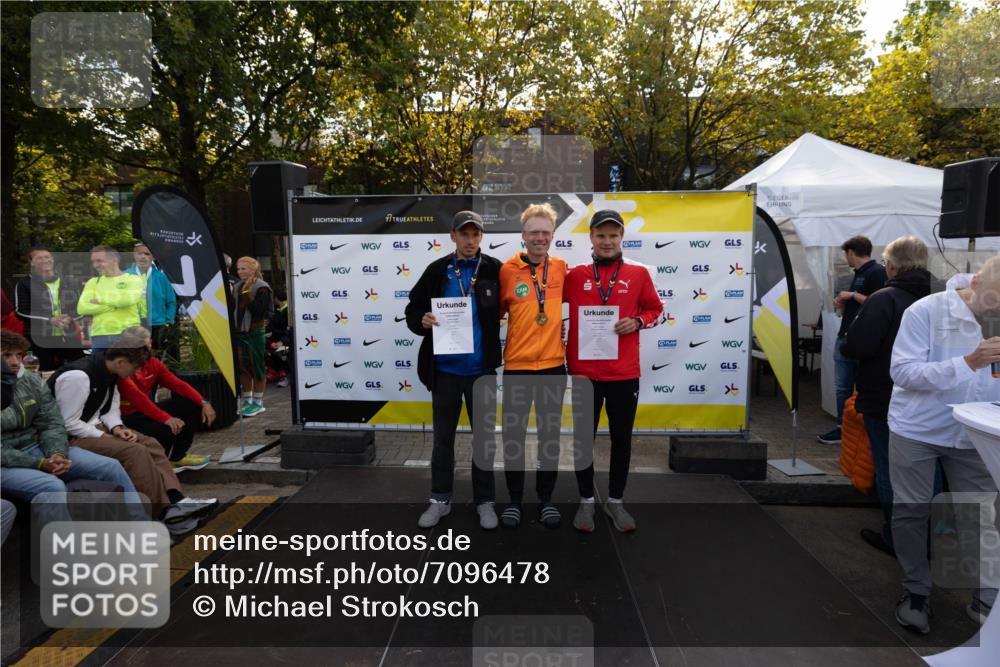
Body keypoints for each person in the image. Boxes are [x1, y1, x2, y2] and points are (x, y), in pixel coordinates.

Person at [887, 255, 1000, 634]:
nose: (997, 310)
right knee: (912, 511)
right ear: (977, 281)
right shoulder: (928, 310)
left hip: (975, 434)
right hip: (918, 429)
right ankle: (916, 592)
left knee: (980, 514)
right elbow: (901, 371)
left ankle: (987, 597)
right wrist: (967, 362)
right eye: (995, 301)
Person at [49, 336, 216, 536]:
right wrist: (104, 436)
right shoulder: (78, 376)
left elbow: (110, 409)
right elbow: (66, 422)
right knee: (135, 451)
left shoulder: (111, 373)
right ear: (120, 362)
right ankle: (161, 510)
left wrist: (118, 427)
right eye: (135, 367)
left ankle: (176, 499)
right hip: (67, 438)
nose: (136, 372)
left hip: (93, 428)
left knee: (150, 444)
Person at [563, 210, 662, 533]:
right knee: (582, 440)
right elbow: (547, 305)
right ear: (591, 238)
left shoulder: (638, 274)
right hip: (582, 373)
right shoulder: (575, 275)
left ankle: (616, 501)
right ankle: (586, 501)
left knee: (622, 440)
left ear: (622, 238)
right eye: (601, 235)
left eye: (613, 236)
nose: (607, 241)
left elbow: (655, 310)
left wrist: (637, 321)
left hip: (623, 374)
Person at [406, 210, 503, 530]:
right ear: (453, 236)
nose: (471, 241)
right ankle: (439, 499)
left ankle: (485, 501)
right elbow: (413, 307)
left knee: (484, 441)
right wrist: (421, 319)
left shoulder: (494, 269)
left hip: (481, 370)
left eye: (476, 235)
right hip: (445, 370)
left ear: (481, 237)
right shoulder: (437, 270)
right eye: (465, 234)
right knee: (443, 440)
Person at [841, 236, 931, 557]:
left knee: (890, 469)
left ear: (892, 265)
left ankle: (897, 539)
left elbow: (857, 346)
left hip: (885, 398)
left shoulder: (885, 298)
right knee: (925, 475)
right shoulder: (941, 298)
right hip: (929, 403)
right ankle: (926, 538)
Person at [1, 333, 139, 513]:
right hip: (6, 461)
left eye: (19, 355)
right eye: (6, 355)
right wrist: (39, 463)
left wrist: (57, 453)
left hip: (35, 446)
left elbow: (51, 422)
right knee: (52, 486)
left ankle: (139, 523)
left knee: (110, 466)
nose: (15, 361)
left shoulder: (30, 380)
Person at [499, 203, 569, 530]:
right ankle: (514, 500)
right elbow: (489, 315)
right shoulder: (507, 271)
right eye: (534, 232)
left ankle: (546, 500)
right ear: (523, 235)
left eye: (546, 232)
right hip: (517, 367)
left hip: (554, 367)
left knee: (549, 438)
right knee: (513, 437)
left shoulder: (562, 269)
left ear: (553, 235)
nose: (540, 237)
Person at [818, 235, 887, 445]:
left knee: (860, 386)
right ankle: (843, 428)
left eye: (845, 254)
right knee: (842, 388)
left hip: (862, 341)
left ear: (850, 252)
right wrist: (843, 302)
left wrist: (852, 295)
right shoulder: (860, 273)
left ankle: (857, 429)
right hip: (847, 336)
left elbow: (880, 302)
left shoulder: (877, 273)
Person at [117, 327, 214, 472]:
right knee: (168, 428)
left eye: (149, 342)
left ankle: (177, 458)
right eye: (147, 343)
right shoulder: (122, 368)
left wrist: (203, 402)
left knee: (192, 406)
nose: (151, 345)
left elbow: (178, 384)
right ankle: (160, 464)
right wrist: (167, 419)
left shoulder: (153, 362)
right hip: (127, 419)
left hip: (147, 411)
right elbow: (139, 399)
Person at [14, 247, 84, 370]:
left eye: (47, 257)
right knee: (42, 374)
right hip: (39, 339)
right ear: (32, 263)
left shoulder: (69, 281)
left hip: (69, 336)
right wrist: (50, 320)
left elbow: (80, 308)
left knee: (77, 371)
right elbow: (20, 311)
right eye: (39, 258)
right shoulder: (24, 283)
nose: (45, 260)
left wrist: (69, 318)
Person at [77, 245, 144, 353]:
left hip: (128, 334)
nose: (95, 265)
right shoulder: (93, 282)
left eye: (99, 261)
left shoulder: (133, 279)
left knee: (128, 369)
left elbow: (129, 300)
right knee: (99, 369)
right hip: (99, 335)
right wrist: (114, 306)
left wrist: (99, 301)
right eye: (93, 261)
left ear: (114, 260)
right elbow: (82, 308)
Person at [232, 257, 273, 417]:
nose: (240, 271)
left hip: (255, 331)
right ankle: (247, 400)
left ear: (253, 269)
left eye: (244, 268)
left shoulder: (262, 287)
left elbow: (258, 311)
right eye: (238, 269)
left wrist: (247, 295)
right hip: (240, 332)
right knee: (243, 367)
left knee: (257, 366)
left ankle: (258, 402)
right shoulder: (236, 287)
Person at [126, 243, 178, 359]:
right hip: (133, 323)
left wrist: (168, 320)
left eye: (147, 254)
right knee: (134, 355)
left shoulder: (161, 277)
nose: (143, 257)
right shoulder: (125, 275)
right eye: (139, 253)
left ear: (153, 257)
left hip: (157, 323)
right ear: (134, 255)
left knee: (155, 355)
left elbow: (171, 301)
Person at [266, 286, 290, 387]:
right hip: (278, 340)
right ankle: (276, 372)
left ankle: (283, 376)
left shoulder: (288, 311)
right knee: (264, 343)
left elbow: (288, 331)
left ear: (276, 298)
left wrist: (276, 336)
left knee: (278, 350)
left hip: (286, 342)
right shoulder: (278, 310)